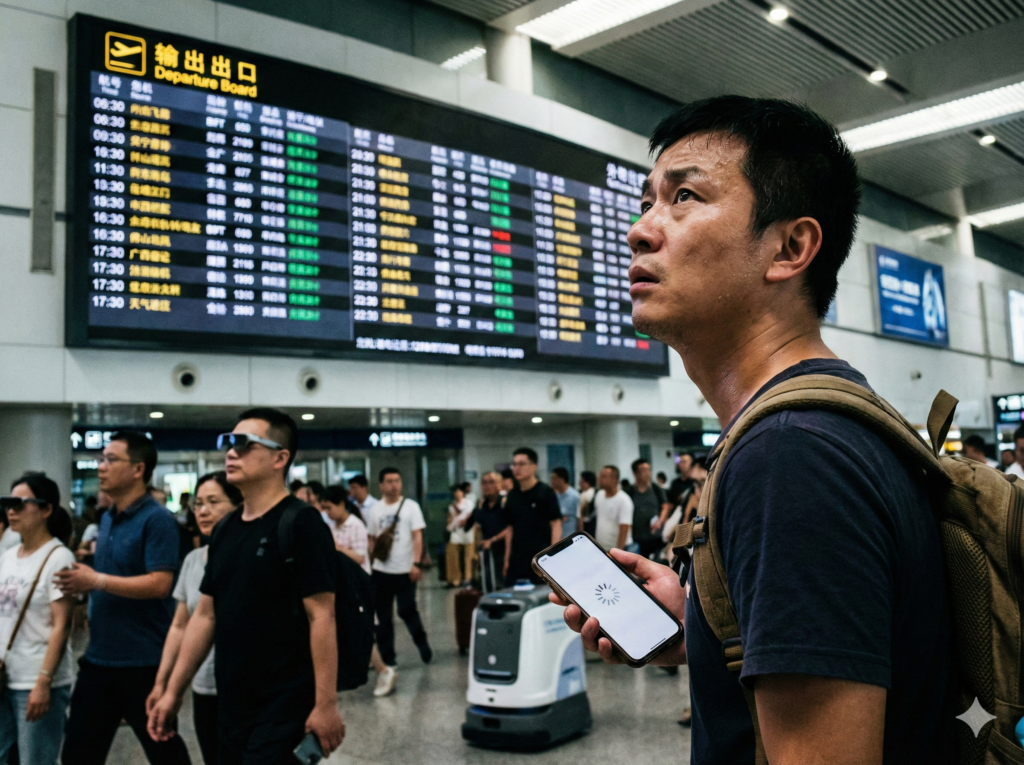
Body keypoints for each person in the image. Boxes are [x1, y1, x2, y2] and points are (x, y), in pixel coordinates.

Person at [555, 96, 954, 764]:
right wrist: (707, 620)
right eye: (648, 200)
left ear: (790, 247)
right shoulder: (831, 420)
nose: (641, 229)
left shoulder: (791, 456)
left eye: (683, 196)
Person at [148, 408, 345, 764]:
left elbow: (321, 616)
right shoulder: (226, 529)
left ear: (279, 458)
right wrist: (173, 691)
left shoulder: (301, 523)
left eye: (244, 444)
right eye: (228, 443)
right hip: (231, 703)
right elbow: (205, 616)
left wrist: (325, 704)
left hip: (284, 706)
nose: (231, 452)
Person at [55, 431, 189, 765]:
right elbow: (115, 579)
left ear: (138, 469)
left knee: (165, 750)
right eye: (101, 459)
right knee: (78, 753)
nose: (101, 467)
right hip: (100, 658)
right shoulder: (108, 517)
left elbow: (160, 584)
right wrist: (86, 583)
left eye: (111, 460)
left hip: (142, 661)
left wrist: (96, 580)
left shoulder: (157, 520)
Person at [146, 472, 241, 765]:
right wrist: (162, 684)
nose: (203, 510)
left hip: (246, 687)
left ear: (238, 506)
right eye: (198, 503)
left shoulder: (250, 556)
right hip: (204, 685)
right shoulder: (193, 560)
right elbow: (179, 626)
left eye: (214, 502)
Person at [0, 474, 75, 765]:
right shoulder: (7, 556)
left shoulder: (58, 557)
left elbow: (62, 625)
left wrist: (44, 681)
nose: (11, 511)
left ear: (46, 509)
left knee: (36, 760)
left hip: (36, 679)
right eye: (8, 503)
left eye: (20, 503)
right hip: (6, 675)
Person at [318, 486, 396, 697]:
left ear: (342, 504)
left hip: (357, 586)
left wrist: (335, 548)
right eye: (323, 509)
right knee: (349, 631)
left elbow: (361, 558)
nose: (327, 512)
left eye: (329, 507)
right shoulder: (329, 524)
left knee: (359, 631)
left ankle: (384, 670)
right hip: (339, 586)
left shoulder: (356, 525)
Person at [365, 467, 432, 667]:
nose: (394, 485)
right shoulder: (375, 509)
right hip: (381, 571)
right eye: (389, 481)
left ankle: (422, 644)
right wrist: (377, 553)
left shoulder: (411, 507)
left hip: (405, 569)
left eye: (397, 480)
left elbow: (417, 536)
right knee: (383, 617)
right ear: (381, 485)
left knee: (407, 610)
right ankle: (388, 658)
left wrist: (416, 563)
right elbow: (371, 538)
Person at [501, 448, 560, 585]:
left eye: (521, 464)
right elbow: (510, 529)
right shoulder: (512, 495)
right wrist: (507, 559)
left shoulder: (545, 492)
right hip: (517, 559)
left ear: (534, 466)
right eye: (514, 464)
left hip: (540, 558)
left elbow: (556, 524)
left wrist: (553, 557)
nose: (516, 468)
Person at [464, 472, 508, 586]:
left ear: (499, 484)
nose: (487, 486)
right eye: (484, 483)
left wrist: (493, 539)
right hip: (487, 553)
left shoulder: (506, 502)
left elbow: (511, 528)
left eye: (491, 482)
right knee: (488, 584)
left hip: (505, 552)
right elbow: (470, 524)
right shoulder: (481, 504)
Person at [627, 459, 671, 558]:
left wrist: (660, 521)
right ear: (635, 474)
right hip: (637, 538)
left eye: (649, 470)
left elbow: (665, 506)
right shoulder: (630, 492)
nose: (648, 473)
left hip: (656, 537)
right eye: (644, 470)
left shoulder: (656, 489)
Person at [592, 466, 633, 551]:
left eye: (603, 476)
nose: (599, 479)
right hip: (602, 547)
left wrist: (618, 552)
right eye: (599, 476)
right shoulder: (599, 495)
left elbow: (624, 528)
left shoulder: (624, 500)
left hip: (617, 549)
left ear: (615, 480)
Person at [445, 485, 475, 588]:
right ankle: (455, 579)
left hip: (467, 531)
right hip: (456, 532)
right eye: (455, 492)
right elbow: (450, 519)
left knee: (469, 557)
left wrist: (466, 520)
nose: (457, 494)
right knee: (453, 556)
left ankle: (468, 578)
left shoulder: (469, 503)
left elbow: (471, 515)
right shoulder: (452, 506)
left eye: (459, 491)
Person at [549, 468, 580, 539]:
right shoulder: (554, 495)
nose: (552, 481)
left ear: (561, 479)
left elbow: (579, 519)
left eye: (554, 478)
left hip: (570, 537)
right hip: (557, 538)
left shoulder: (574, 496)